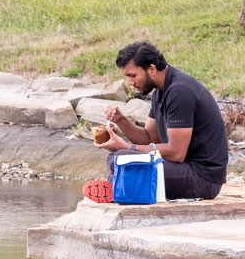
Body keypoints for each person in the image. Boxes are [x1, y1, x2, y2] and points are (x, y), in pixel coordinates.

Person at [94, 41, 228, 200]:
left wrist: (127, 146)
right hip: (183, 169)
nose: (130, 83)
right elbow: (149, 138)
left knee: (121, 158)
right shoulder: (160, 91)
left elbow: (176, 153)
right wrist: (121, 120)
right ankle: (117, 190)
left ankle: (117, 191)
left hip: (203, 179)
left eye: (133, 76)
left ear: (151, 69)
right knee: (116, 157)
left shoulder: (180, 91)